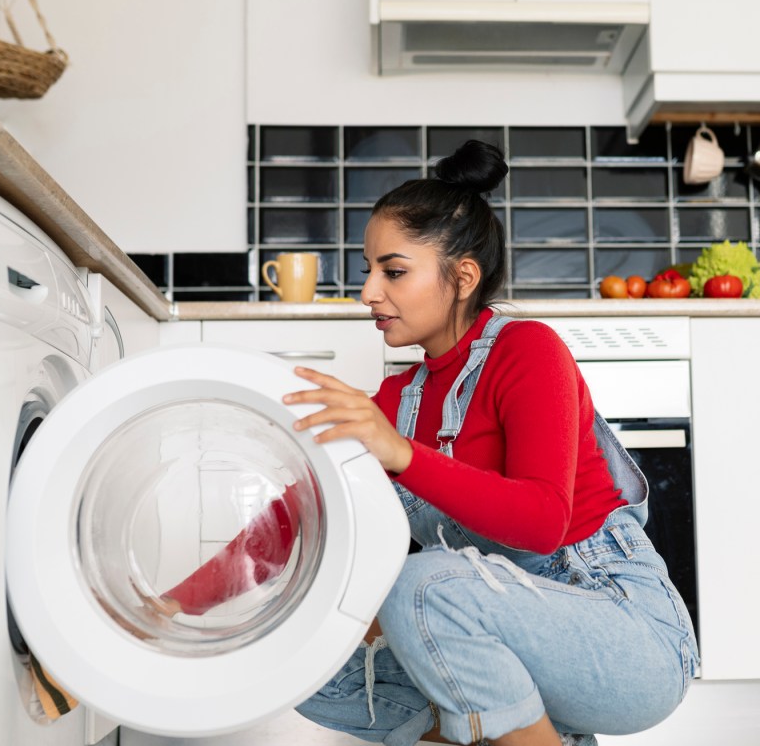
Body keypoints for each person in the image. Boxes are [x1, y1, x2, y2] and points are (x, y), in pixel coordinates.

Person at [158, 140, 699, 746]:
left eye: (392, 271)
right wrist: (171, 610)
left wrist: (403, 456)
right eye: (369, 270)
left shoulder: (528, 351)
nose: (368, 292)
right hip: (510, 640)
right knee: (301, 657)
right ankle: (534, 732)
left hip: (627, 638)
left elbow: (544, 521)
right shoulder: (396, 403)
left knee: (420, 588)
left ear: (462, 276)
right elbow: (293, 520)